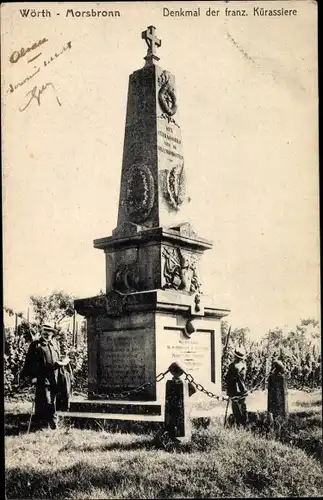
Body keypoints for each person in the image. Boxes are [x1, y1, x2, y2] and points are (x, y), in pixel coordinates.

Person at [21, 323, 70, 430]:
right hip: (42, 376)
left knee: (54, 398)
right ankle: (42, 423)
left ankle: (52, 421)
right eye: (44, 332)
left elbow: (57, 356)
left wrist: (64, 360)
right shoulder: (36, 345)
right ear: (42, 332)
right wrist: (31, 376)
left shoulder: (55, 343)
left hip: (56, 375)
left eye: (49, 332)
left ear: (52, 334)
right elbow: (29, 361)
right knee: (45, 399)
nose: (46, 334)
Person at [225, 347, 248, 427]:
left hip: (234, 388)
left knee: (235, 407)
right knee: (243, 405)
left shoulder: (232, 366)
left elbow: (228, 378)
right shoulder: (243, 365)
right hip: (242, 388)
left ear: (235, 356)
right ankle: (244, 423)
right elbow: (244, 378)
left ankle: (238, 424)